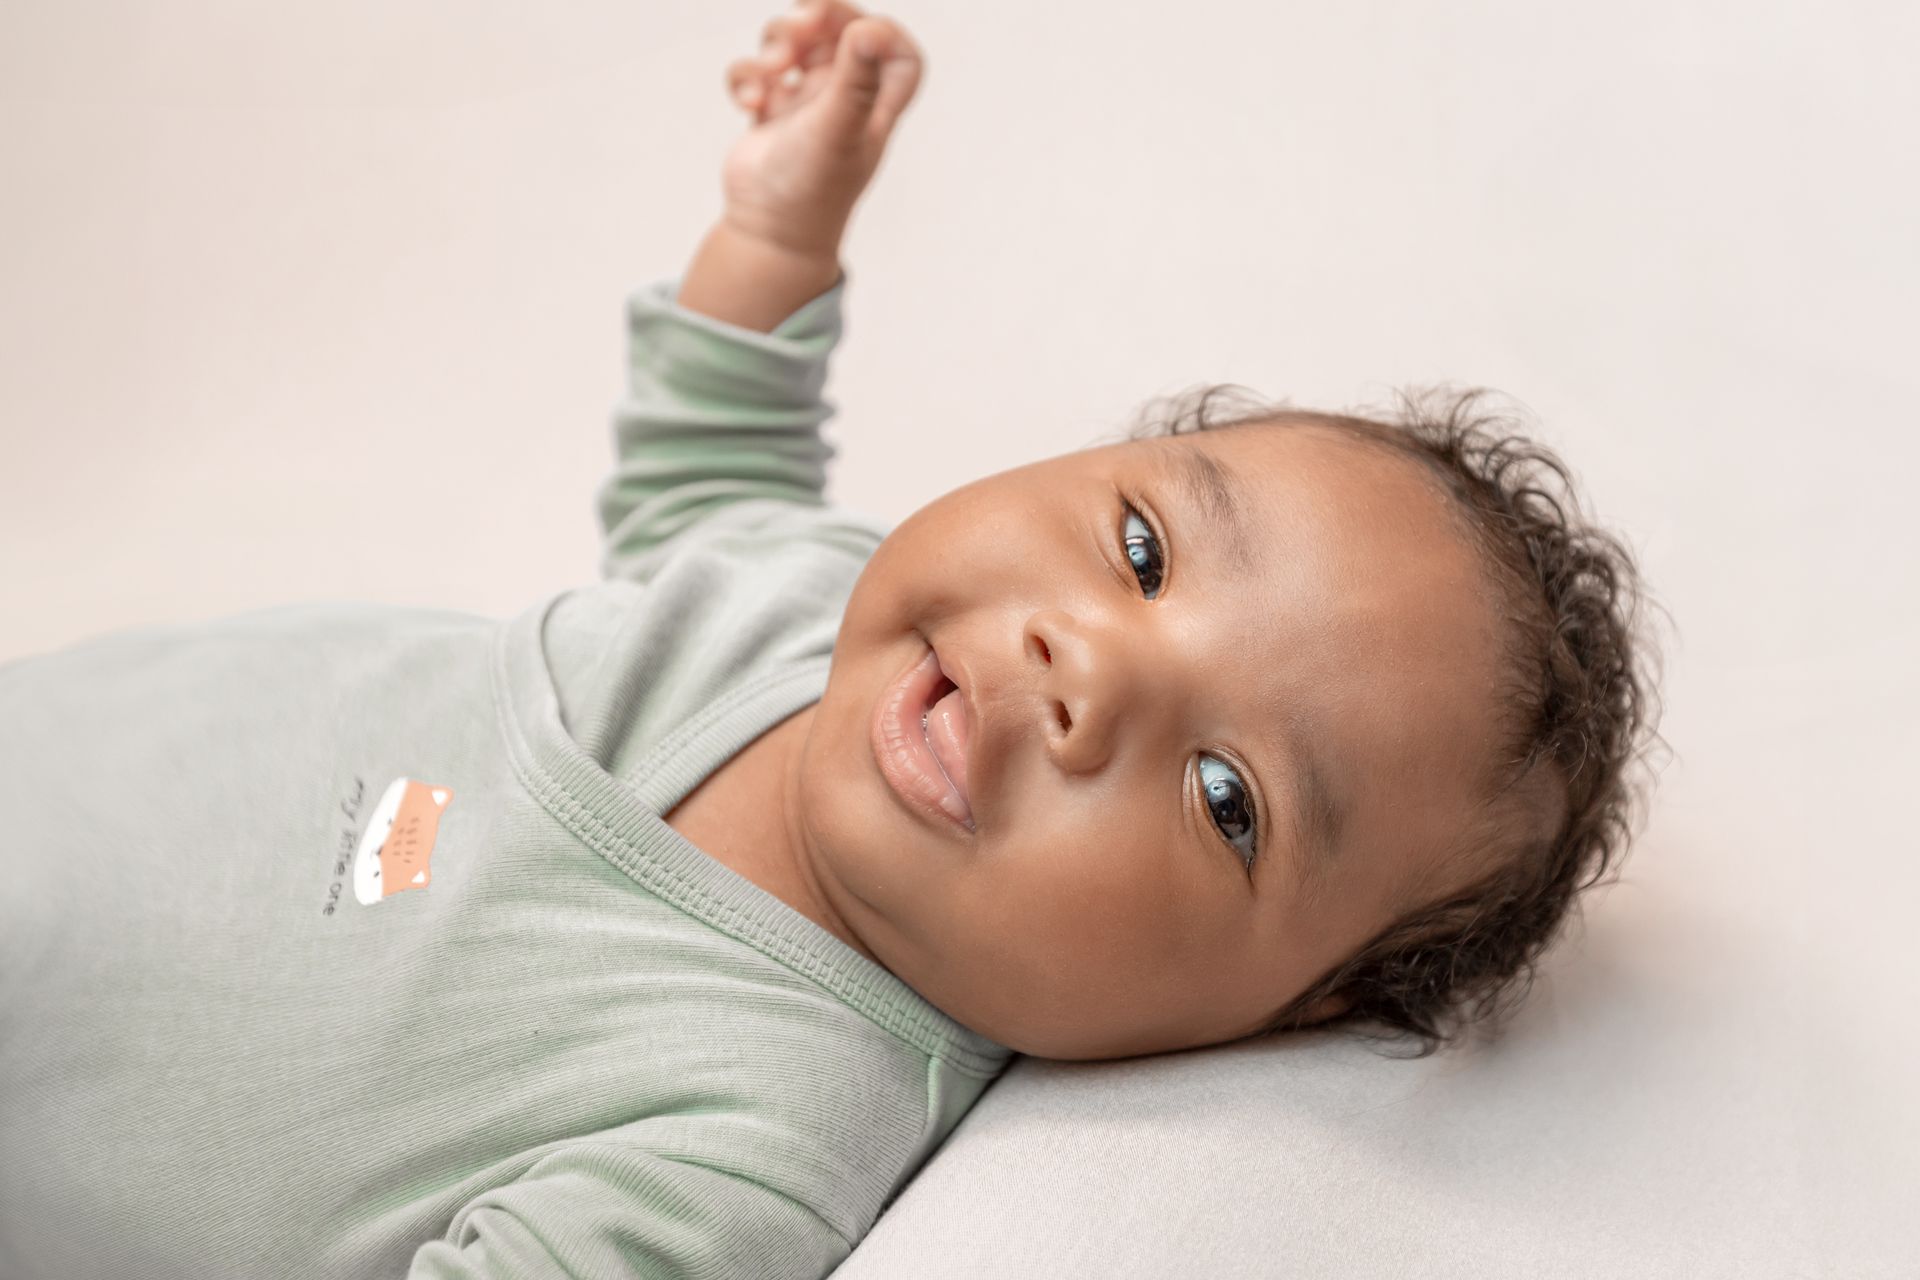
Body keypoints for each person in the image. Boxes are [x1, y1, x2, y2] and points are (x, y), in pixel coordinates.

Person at [0, 3, 1659, 1276]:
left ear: (1268, 1020)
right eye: (1142, 548)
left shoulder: (751, 1139)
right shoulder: (810, 605)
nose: (1090, 670)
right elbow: (710, 476)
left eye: (1231, 798)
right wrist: (779, 239)